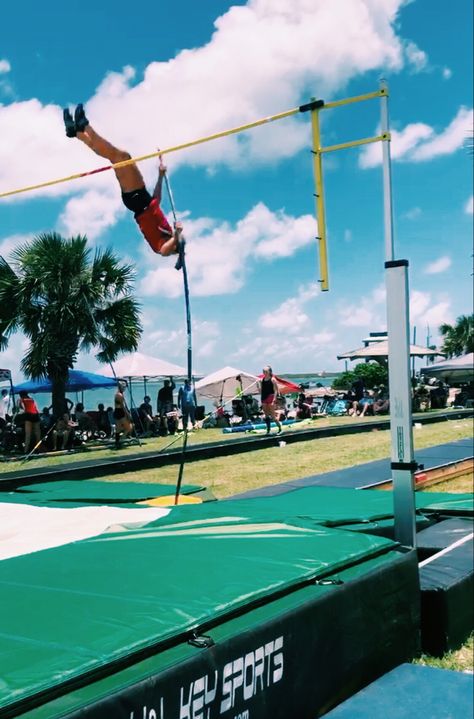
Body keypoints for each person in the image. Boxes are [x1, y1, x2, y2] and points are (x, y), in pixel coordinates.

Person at [63, 104, 183, 257]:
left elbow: (164, 251)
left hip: (137, 200)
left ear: (175, 247)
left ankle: (84, 127)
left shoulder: (162, 244)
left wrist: (177, 236)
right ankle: (78, 132)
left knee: (121, 157)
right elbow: (155, 201)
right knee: (119, 157)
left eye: (178, 241)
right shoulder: (166, 231)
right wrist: (160, 176)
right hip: (141, 197)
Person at [260, 366, 282, 434]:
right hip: (264, 397)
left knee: (272, 415)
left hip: (271, 396)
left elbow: (276, 390)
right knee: (266, 415)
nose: (265, 373)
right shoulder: (262, 380)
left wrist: (274, 400)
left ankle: (280, 428)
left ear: (270, 372)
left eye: (266, 371)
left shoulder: (273, 379)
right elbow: (261, 390)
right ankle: (268, 430)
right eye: (264, 371)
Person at [113, 380, 133, 447]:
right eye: (123, 387)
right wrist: (128, 414)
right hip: (120, 411)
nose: (124, 388)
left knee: (118, 429)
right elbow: (122, 406)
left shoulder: (118, 394)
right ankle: (121, 440)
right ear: (120, 387)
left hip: (117, 411)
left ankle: (117, 442)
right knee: (129, 427)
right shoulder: (119, 395)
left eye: (124, 387)